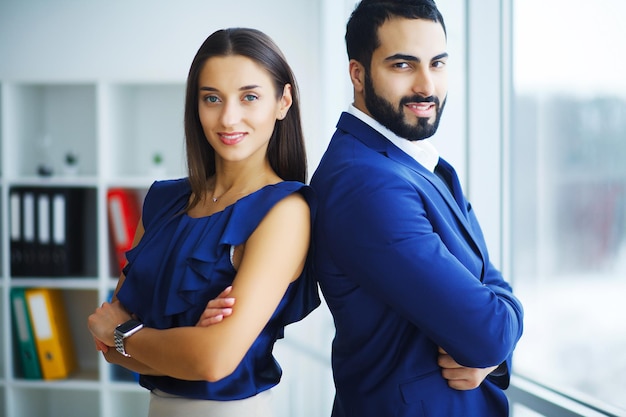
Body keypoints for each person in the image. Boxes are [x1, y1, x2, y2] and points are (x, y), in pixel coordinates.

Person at [87, 27, 319, 417]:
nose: (229, 118)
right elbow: (111, 353)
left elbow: (213, 361)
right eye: (212, 98)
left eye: (249, 97)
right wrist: (177, 341)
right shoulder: (163, 201)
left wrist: (126, 331)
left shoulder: (284, 211)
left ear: (283, 101)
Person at [309, 0, 524, 416]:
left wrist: (491, 352)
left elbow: (489, 286)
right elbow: (488, 331)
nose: (427, 86)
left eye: (438, 64)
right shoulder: (364, 182)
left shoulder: (418, 163)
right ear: (358, 73)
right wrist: (495, 337)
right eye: (403, 65)